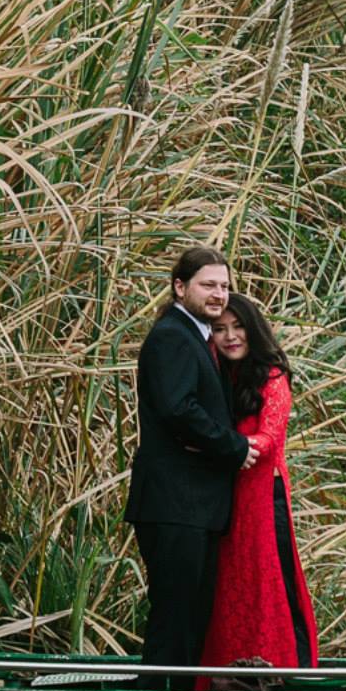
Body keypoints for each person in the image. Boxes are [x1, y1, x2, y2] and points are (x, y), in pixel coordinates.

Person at [130, 245, 252, 669]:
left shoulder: (196, 338)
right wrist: (236, 447)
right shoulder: (172, 337)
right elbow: (178, 409)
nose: (219, 294)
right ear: (180, 287)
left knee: (189, 618)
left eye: (224, 286)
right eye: (208, 285)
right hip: (174, 502)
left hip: (192, 504)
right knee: (175, 617)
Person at [201, 293, 318, 677]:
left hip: (265, 495)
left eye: (239, 328)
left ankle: (288, 667)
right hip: (227, 494)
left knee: (272, 580)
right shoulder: (218, 373)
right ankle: (226, 669)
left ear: (254, 331)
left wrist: (233, 447)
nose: (231, 336)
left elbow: (270, 435)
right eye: (221, 329)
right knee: (231, 582)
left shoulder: (271, 374)